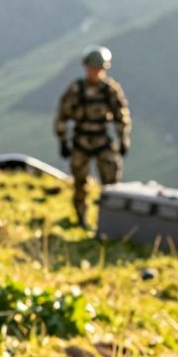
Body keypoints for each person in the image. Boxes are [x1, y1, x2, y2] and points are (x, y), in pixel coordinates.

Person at [54, 46, 131, 229]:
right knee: (80, 183)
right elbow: (62, 116)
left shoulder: (110, 90)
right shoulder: (76, 89)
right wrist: (63, 140)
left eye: (98, 69)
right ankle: (81, 220)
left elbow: (121, 116)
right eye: (92, 69)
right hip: (81, 141)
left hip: (102, 140)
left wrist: (123, 139)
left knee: (111, 184)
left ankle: (109, 222)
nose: (95, 72)